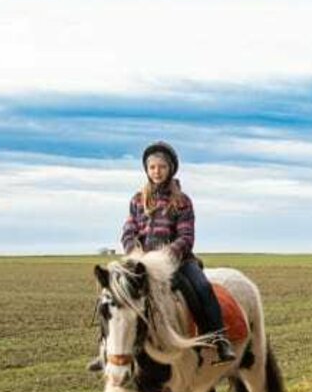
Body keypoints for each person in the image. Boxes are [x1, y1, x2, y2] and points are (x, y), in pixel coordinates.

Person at [90, 141, 234, 371]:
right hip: (141, 263)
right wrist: (133, 252)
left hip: (178, 261)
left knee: (202, 287)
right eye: (152, 167)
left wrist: (167, 256)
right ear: (146, 170)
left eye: (162, 167)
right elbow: (129, 231)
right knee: (112, 296)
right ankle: (104, 349)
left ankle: (218, 339)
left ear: (171, 169)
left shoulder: (182, 201)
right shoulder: (138, 200)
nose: (157, 172)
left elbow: (186, 237)